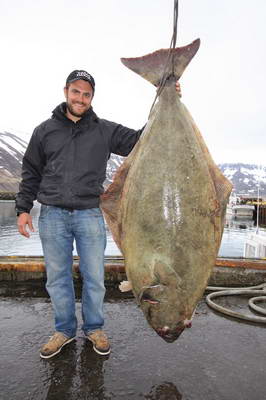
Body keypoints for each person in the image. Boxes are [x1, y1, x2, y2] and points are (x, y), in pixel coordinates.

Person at [16, 70, 181, 359]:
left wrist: (165, 99)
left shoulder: (104, 130)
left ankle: (94, 328)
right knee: (57, 278)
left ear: (92, 97)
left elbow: (141, 140)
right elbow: (30, 171)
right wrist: (23, 209)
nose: (80, 98)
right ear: (66, 91)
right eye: (76, 91)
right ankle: (64, 331)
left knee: (94, 277)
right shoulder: (44, 131)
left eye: (86, 94)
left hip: (90, 214)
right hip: (52, 214)